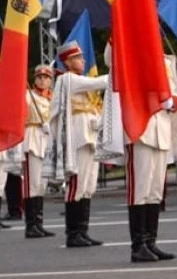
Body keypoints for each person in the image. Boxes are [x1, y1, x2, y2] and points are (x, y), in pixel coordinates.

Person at [115, 44, 177, 263]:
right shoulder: (131, 54)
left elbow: (176, 94)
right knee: (140, 189)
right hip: (140, 129)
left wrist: (173, 102)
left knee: (155, 191)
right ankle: (138, 245)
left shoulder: (165, 61)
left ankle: (150, 242)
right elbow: (111, 58)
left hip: (161, 128)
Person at [48, 41, 110, 248]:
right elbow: (99, 82)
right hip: (77, 140)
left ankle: (82, 231)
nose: (83, 61)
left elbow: (92, 111)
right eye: (78, 58)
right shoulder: (67, 80)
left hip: (89, 138)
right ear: (67, 61)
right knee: (77, 186)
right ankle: (72, 233)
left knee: (88, 186)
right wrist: (120, 72)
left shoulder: (78, 83)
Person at [20, 66, 56, 238]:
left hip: (46, 141)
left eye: (46, 77)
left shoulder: (52, 99)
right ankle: (30, 225)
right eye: (39, 77)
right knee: (32, 184)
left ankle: (39, 223)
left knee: (42, 185)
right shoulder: (28, 96)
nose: (42, 80)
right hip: (33, 137)